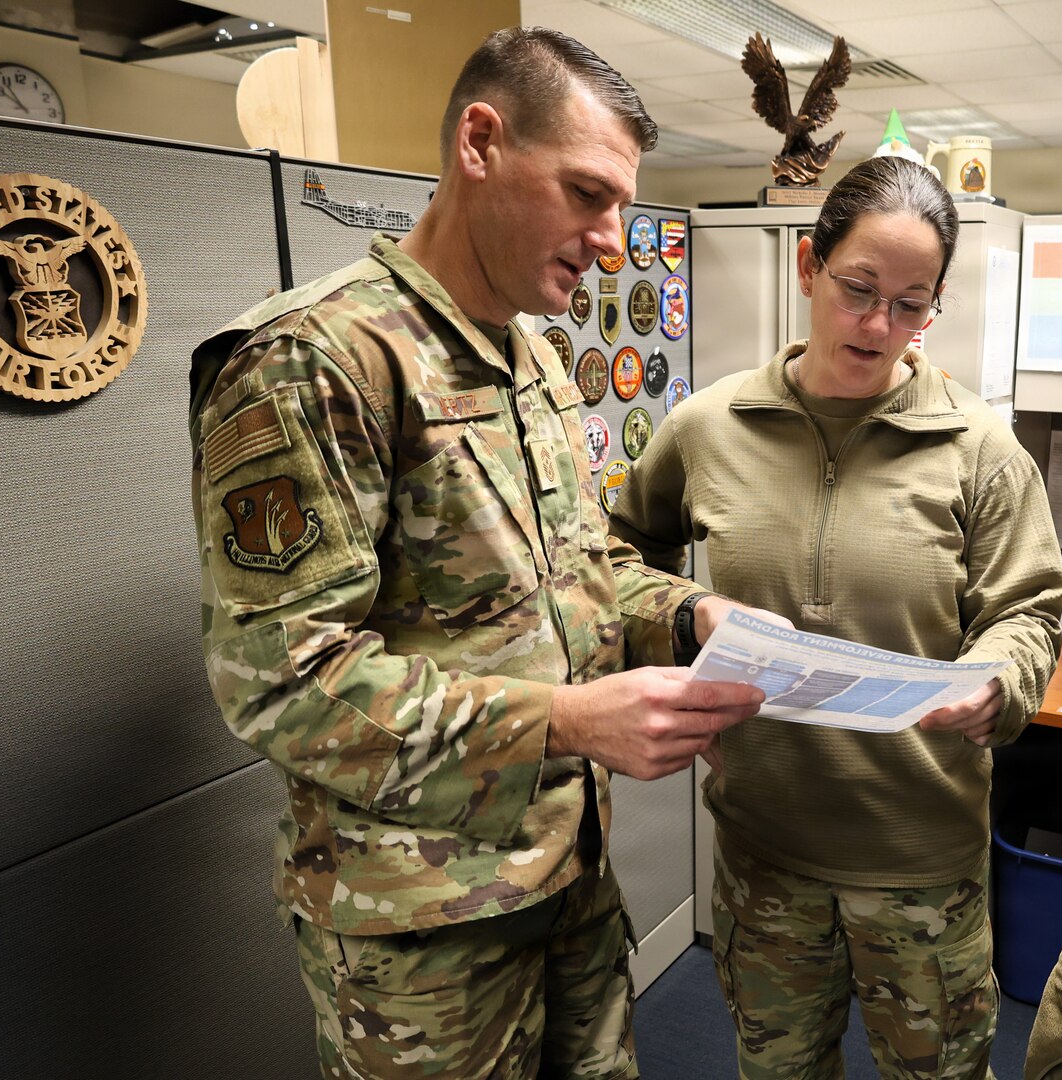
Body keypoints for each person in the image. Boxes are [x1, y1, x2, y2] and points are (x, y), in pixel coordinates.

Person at [187, 26, 769, 1079]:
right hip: (422, 925)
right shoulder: (315, 361)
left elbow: (583, 570)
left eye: (622, 207)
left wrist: (690, 617)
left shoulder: (532, 361)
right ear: (481, 142)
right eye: (588, 193)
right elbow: (280, 678)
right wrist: (566, 718)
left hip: (568, 873)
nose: (611, 238)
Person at [608, 155, 1062, 1079]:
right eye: (858, 289)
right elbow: (609, 563)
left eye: (912, 303)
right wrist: (688, 613)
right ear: (809, 268)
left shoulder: (979, 447)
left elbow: (1025, 611)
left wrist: (998, 681)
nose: (879, 326)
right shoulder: (707, 425)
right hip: (765, 848)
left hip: (921, 862)